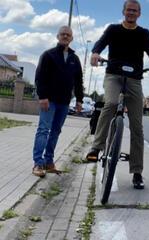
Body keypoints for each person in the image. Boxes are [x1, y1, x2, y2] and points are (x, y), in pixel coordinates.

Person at [85, 0, 149, 189]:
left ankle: (137, 172)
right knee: (110, 103)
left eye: (134, 11)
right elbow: (100, 43)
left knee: (137, 126)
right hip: (113, 75)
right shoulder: (113, 29)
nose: (131, 13)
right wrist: (95, 53)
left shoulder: (143, 33)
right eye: (128, 10)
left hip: (134, 79)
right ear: (123, 11)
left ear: (139, 14)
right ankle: (97, 147)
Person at [32, 26, 84, 177]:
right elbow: (40, 77)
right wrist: (42, 97)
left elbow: (78, 81)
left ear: (71, 38)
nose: (65, 36)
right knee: (43, 130)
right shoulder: (48, 55)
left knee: (55, 131)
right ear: (58, 36)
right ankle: (37, 163)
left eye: (68, 35)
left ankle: (49, 162)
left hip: (64, 102)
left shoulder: (75, 59)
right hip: (49, 101)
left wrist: (79, 100)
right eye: (63, 34)